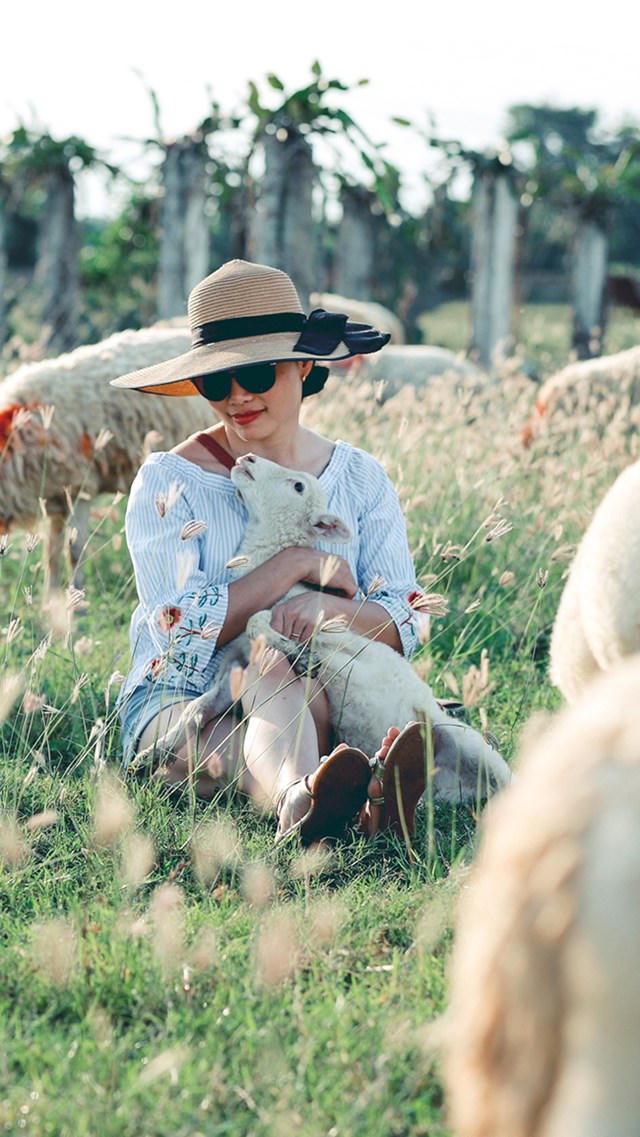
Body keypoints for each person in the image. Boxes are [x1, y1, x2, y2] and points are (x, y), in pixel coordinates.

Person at [111, 259, 428, 844]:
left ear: (304, 364)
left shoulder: (360, 478)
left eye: (256, 372)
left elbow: (407, 618)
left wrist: (328, 610)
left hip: (321, 691)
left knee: (298, 693)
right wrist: (293, 565)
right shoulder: (168, 481)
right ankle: (317, 796)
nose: (236, 396)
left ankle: (325, 792)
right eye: (215, 381)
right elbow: (177, 630)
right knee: (265, 679)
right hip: (184, 695)